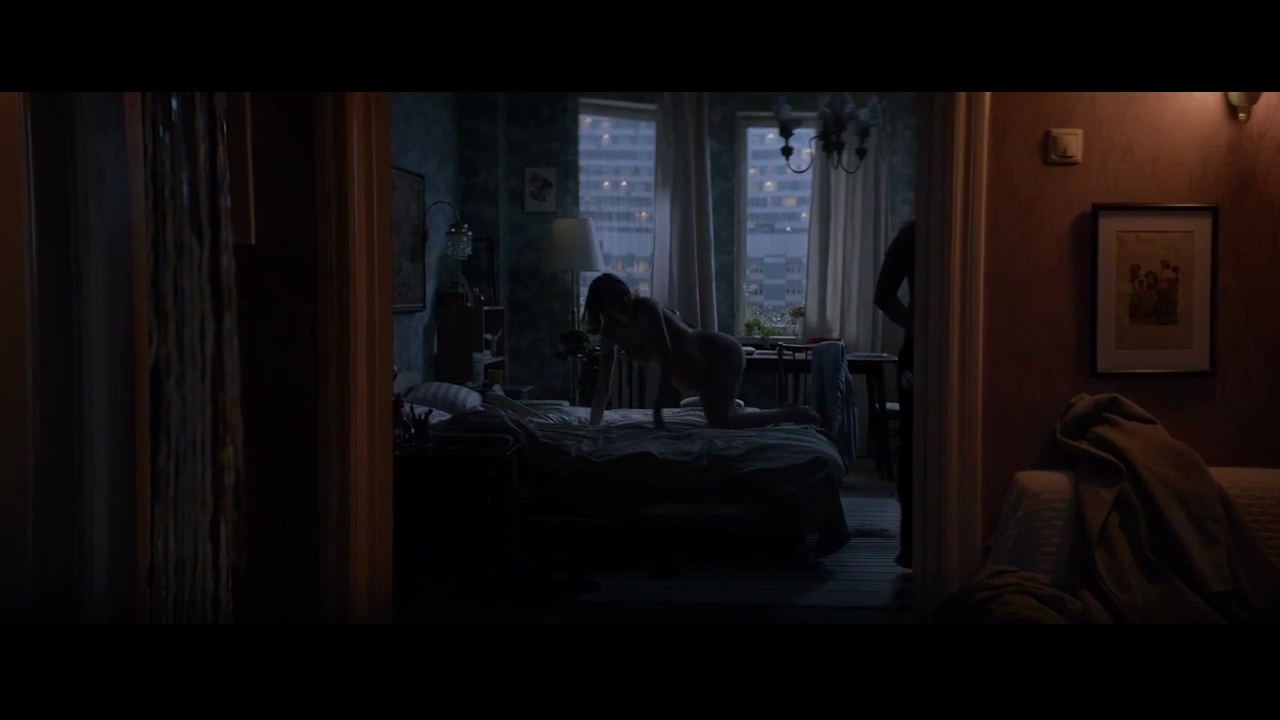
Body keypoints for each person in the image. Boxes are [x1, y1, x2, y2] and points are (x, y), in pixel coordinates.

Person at [582, 273, 820, 430]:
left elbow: (666, 356)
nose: (623, 303)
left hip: (719, 354)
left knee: (720, 422)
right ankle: (767, 411)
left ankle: (792, 415)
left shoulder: (646, 307)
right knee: (721, 418)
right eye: (614, 301)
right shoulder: (611, 334)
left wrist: (657, 413)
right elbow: (604, 383)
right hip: (698, 372)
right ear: (601, 307)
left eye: (623, 296)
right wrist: (594, 426)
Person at [874, 220, 915, 569]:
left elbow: (883, 295)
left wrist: (915, 325)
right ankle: (912, 541)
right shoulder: (914, 233)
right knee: (913, 442)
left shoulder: (913, 232)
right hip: (918, 353)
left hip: (917, 350)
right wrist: (918, 326)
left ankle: (912, 543)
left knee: (912, 443)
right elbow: (883, 295)